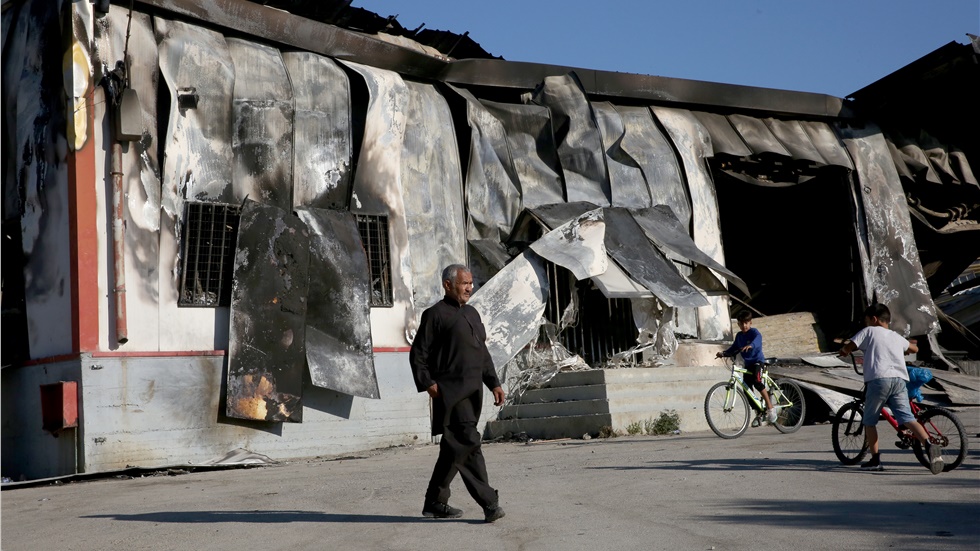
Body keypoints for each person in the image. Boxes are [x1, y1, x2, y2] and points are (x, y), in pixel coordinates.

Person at [409, 264, 506, 522]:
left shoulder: (472, 314)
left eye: (471, 283)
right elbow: (418, 353)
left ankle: (435, 502)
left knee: (454, 449)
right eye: (464, 283)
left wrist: (494, 383)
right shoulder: (435, 315)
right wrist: (427, 382)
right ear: (448, 285)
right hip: (451, 394)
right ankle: (490, 503)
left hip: (473, 393)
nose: (469, 288)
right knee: (468, 444)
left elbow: (481, 353)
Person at [838, 303, 942, 474]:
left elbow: (851, 345)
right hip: (899, 380)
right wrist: (904, 351)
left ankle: (875, 460)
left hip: (879, 380)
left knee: (869, 422)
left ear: (874, 319)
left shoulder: (869, 331)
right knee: (908, 418)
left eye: (867, 320)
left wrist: (844, 350)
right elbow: (914, 348)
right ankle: (928, 443)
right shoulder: (894, 335)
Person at [715, 311, 776, 425]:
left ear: (750, 323)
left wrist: (751, 345)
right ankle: (758, 413)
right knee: (746, 389)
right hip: (747, 365)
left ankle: (770, 407)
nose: (744, 326)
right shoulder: (739, 336)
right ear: (738, 324)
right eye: (741, 324)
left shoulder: (754, 332)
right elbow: (734, 347)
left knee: (757, 382)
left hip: (757, 362)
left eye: (746, 323)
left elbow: (757, 340)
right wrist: (723, 353)